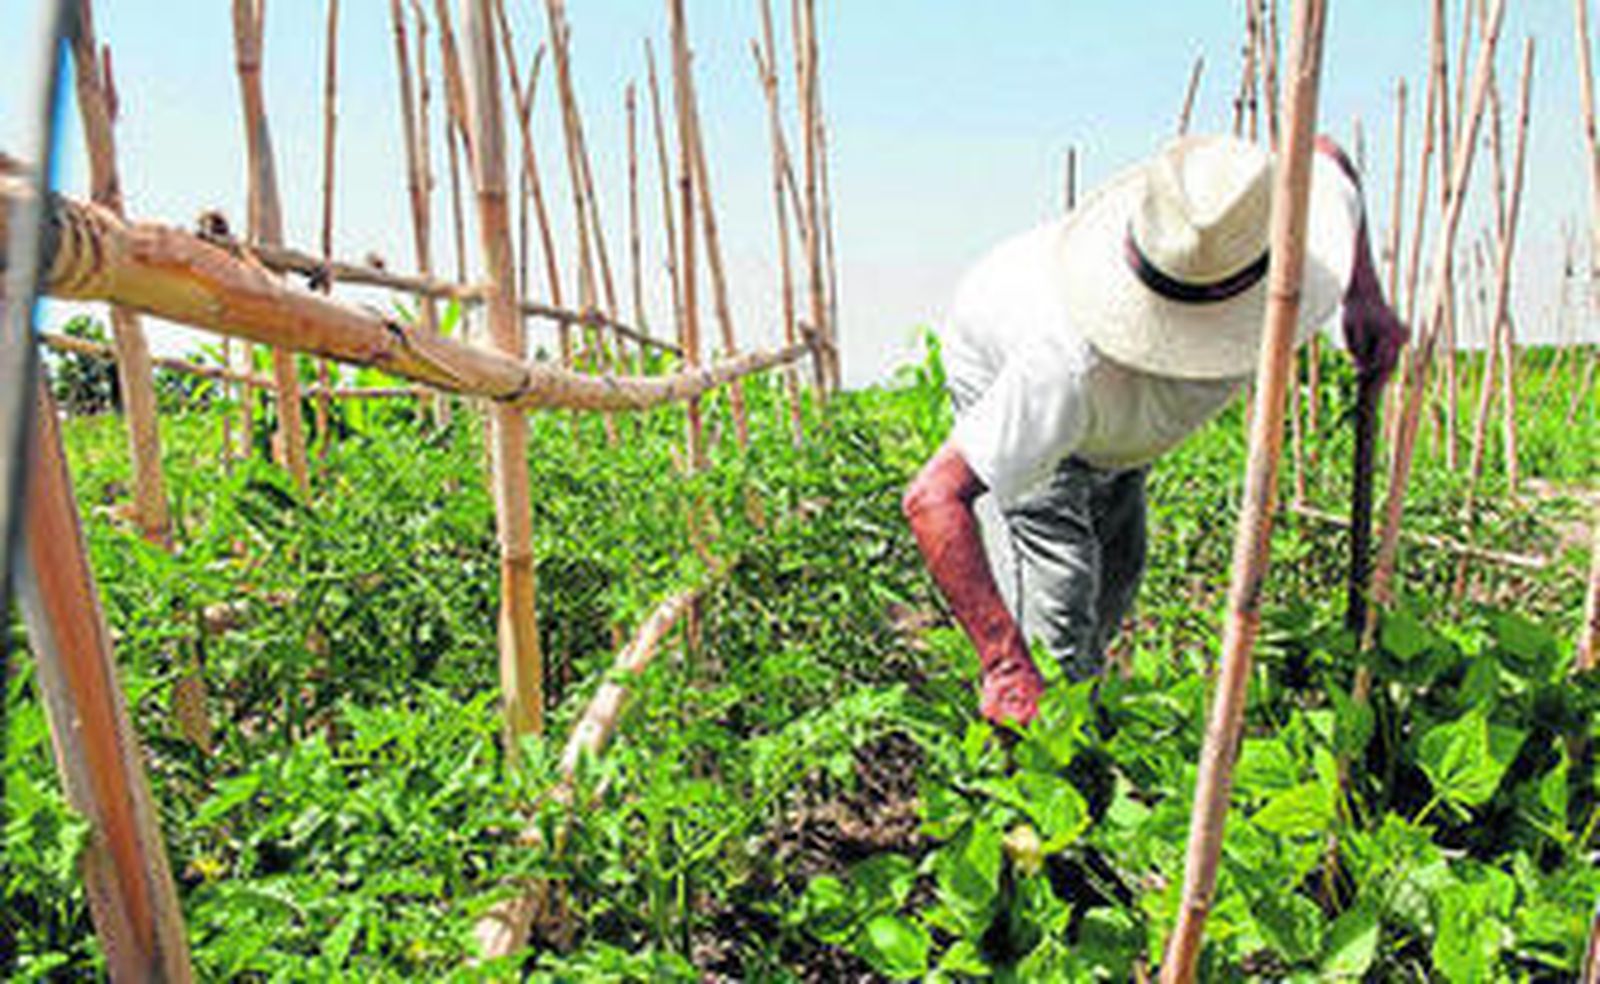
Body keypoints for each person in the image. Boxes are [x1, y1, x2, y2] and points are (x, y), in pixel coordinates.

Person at [902, 133, 1406, 726]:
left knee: (1116, 574)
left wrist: (1363, 294)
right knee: (1057, 626)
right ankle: (1034, 786)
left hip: (1112, 431)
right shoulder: (1063, 365)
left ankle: (1084, 725)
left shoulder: (1274, 223)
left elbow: (1326, 152)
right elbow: (932, 497)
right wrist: (1005, 664)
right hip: (1007, 366)